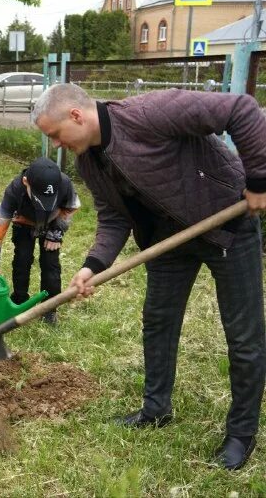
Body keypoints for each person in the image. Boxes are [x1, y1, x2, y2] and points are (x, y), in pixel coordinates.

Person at [31, 83, 266, 471]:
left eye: (55, 134)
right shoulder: (89, 162)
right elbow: (113, 216)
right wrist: (92, 266)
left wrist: (258, 179)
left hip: (227, 227)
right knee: (158, 322)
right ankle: (156, 409)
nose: (55, 144)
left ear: (76, 115)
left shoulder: (150, 113)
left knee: (243, 337)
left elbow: (240, 109)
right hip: (167, 241)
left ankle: (241, 434)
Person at [0, 157, 80, 325]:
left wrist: (56, 233)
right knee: (22, 259)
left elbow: (71, 206)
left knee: (50, 264)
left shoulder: (64, 184)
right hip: (24, 222)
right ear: (26, 182)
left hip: (52, 222)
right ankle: (20, 301)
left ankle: (49, 308)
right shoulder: (15, 189)